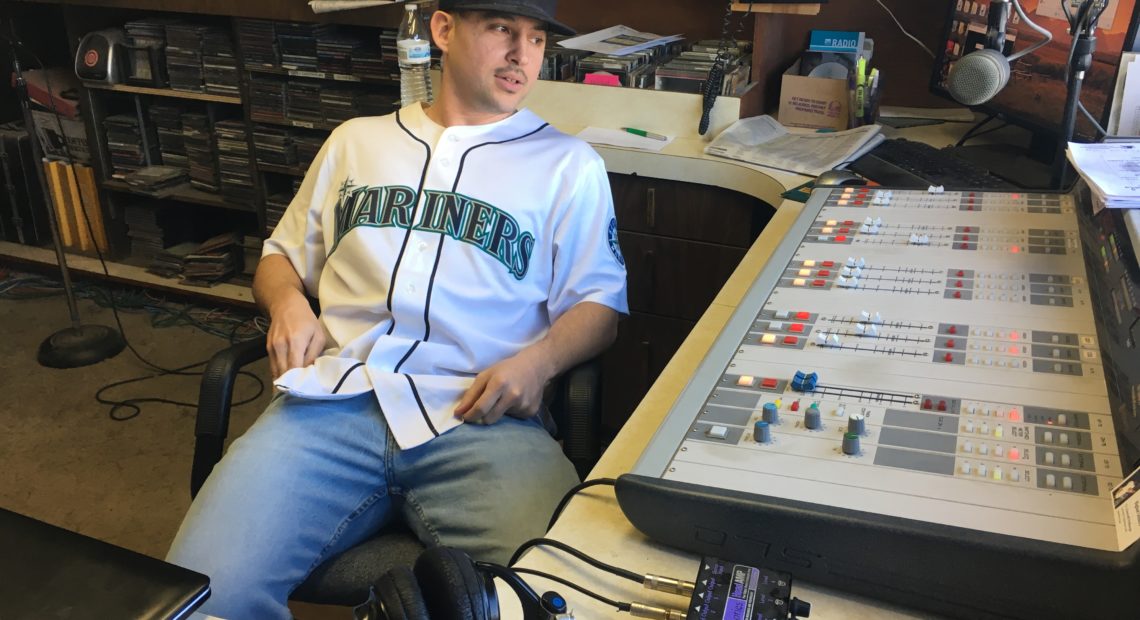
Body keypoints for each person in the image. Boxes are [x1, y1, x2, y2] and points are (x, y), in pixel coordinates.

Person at [165, 1, 628, 617]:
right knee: (193, 598)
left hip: (482, 419)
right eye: (502, 30)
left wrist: (540, 364)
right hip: (331, 407)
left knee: (567, 602)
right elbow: (280, 256)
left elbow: (600, 305)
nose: (523, 55)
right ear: (442, 30)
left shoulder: (569, 166)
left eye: (538, 39)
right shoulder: (356, 141)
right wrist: (286, 305)